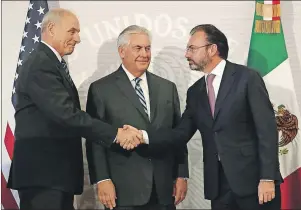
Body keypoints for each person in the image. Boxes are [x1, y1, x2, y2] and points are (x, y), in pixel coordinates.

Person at [123, 24, 283, 210]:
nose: (186, 54)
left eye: (192, 48)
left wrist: (267, 178)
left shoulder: (247, 78)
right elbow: (180, 134)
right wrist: (143, 136)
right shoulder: (195, 92)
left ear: (212, 49)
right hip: (219, 188)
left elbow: (267, 130)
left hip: (254, 183)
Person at [7, 9, 141, 210]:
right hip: (44, 178)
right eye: (72, 31)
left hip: (53, 177)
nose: (77, 38)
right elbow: (66, 114)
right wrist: (115, 134)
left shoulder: (51, 63)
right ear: (51, 29)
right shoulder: (41, 64)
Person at [85, 25, 189, 210]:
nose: (144, 54)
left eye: (148, 48)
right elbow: (95, 140)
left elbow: (178, 135)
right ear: (122, 51)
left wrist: (181, 175)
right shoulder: (101, 89)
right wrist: (102, 179)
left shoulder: (167, 87)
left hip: (164, 189)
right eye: (138, 48)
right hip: (123, 190)